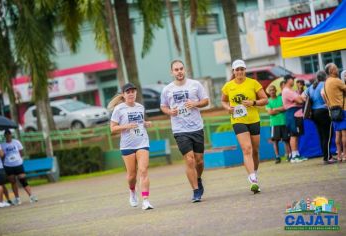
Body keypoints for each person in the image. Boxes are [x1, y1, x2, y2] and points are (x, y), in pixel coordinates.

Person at [160, 60, 209, 202]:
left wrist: (195, 103)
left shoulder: (195, 85)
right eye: (176, 69)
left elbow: (206, 101)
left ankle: (198, 179)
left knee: (199, 161)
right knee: (189, 159)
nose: (179, 71)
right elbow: (163, 106)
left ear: (184, 70)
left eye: (181, 69)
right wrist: (170, 111)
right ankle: (195, 191)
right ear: (172, 72)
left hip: (196, 127)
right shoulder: (167, 89)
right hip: (179, 129)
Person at [221, 59, 268, 194]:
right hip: (238, 120)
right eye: (237, 69)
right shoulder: (228, 86)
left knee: (255, 150)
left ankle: (254, 172)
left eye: (242, 69)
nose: (240, 72)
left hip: (253, 119)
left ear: (245, 70)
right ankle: (253, 179)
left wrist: (253, 102)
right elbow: (223, 101)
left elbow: (265, 100)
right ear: (233, 71)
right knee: (246, 149)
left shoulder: (253, 83)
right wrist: (227, 108)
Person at [110, 82, 154, 210]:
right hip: (127, 145)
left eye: (133, 92)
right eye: (128, 92)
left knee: (143, 170)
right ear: (123, 95)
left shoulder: (140, 107)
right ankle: (132, 191)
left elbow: (139, 122)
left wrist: (146, 123)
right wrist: (126, 126)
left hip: (142, 142)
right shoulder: (119, 109)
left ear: (136, 93)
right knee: (131, 175)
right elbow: (113, 128)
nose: (131, 94)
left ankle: (145, 200)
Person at [302, 71, 334, 164]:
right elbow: (324, 94)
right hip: (324, 112)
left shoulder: (311, 86)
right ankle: (327, 158)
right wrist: (327, 103)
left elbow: (302, 96)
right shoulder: (325, 84)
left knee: (322, 136)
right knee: (328, 135)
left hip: (314, 113)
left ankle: (327, 156)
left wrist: (311, 102)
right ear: (325, 77)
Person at [1, 129, 38, 204]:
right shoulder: (3, 145)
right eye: (6, 134)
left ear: (11, 135)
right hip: (8, 165)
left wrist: (19, 159)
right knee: (13, 181)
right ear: (4, 136)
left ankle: (31, 196)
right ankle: (17, 198)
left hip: (18, 164)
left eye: (9, 134)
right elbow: (3, 155)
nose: (8, 136)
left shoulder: (16, 142)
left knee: (23, 180)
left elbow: (21, 152)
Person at [281, 75, 307, 163]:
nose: (294, 81)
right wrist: (301, 98)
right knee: (293, 134)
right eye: (292, 79)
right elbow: (300, 100)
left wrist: (300, 98)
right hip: (292, 114)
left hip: (296, 113)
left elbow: (300, 99)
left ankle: (296, 154)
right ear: (288, 80)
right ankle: (294, 156)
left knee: (296, 134)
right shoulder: (287, 91)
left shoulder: (290, 90)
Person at [323, 63, 346, 162]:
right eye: (335, 68)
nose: (337, 69)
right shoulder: (337, 81)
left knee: (337, 134)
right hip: (343, 109)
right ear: (331, 71)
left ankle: (339, 155)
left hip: (333, 111)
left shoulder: (326, 82)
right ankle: (345, 154)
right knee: (344, 133)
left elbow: (324, 96)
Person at [266, 85, 291, 164]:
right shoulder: (268, 101)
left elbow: (285, 107)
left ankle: (288, 155)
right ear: (269, 92)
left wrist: (275, 109)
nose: (272, 91)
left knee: (286, 140)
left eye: (273, 90)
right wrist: (280, 110)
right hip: (274, 124)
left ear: (276, 90)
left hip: (283, 122)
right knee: (275, 141)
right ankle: (277, 157)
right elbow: (270, 112)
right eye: (270, 90)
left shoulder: (281, 98)